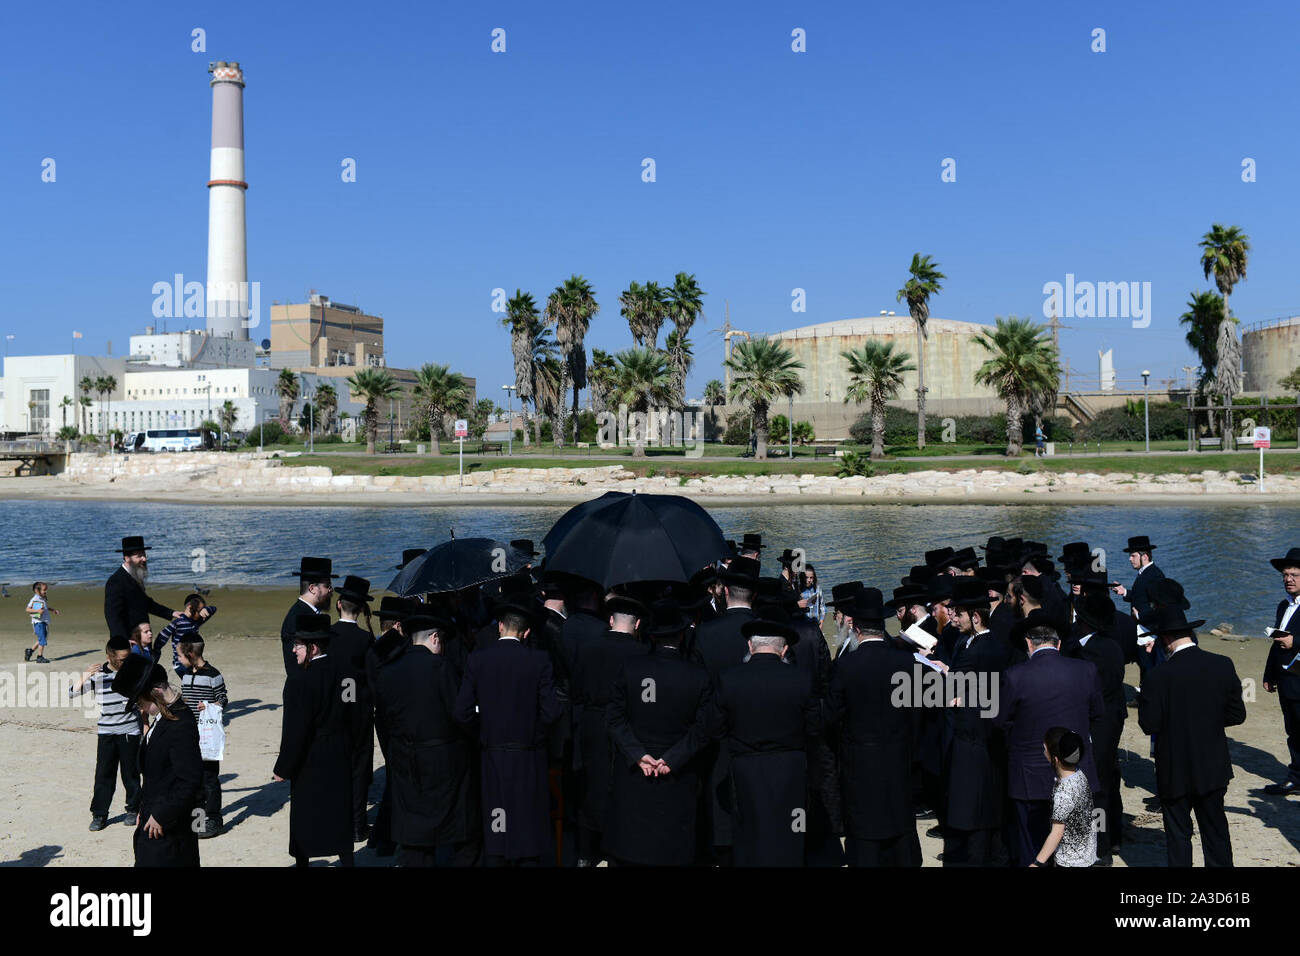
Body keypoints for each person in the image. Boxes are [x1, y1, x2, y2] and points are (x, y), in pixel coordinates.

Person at [605, 599, 715, 867]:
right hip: (677, 775)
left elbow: (613, 718)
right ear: (681, 634)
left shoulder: (630, 668)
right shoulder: (699, 676)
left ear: (651, 636)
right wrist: (673, 758)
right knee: (672, 848)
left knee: (632, 846)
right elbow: (704, 729)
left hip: (635, 773)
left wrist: (639, 754)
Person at [453, 599, 561, 866]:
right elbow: (552, 712)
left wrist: (483, 733)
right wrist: (534, 736)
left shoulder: (477, 660)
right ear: (526, 633)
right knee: (528, 822)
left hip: (492, 753)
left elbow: (462, 712)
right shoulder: (538, 660)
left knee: (496, 820)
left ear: (500, 626)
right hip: (528, 754)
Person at [1137, 605, 1246, 867]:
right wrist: (1206, 722)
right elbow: (1237, 715)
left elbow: (1149, 724)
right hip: (1211, 764)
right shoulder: (1221, 664)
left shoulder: (1157, 676)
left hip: (1174, 767)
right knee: (1215, 830)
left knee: (1178, 835)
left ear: (1164, 639)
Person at [709, 618, 820, 867]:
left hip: (746, 768)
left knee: (749, 832)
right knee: (792, 830)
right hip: (791, 767)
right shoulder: (801, 678)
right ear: (784, 650)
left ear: (750, 646)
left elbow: (715, 729)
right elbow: (814, 729)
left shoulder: (729, 679)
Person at [374, 611, 479, 867]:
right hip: (442, 759)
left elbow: (383, 719)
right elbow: (460, 715)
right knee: (461, 828)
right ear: (434, 638)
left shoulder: (388, 671)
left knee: (414, 835)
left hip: (404, 758)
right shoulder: (442, 668)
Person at [995, 621, 1103, 867]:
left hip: (1029, 775)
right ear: (1059, 644)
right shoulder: (1086, 670)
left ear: (1028, 644)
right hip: (1075, 770)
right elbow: (1097, 713)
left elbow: (1000, 720)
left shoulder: (1015, 675)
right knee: (1074, 843)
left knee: (1031, 844)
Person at [827, 591, 921, 867]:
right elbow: (916, 715)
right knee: (900, 822)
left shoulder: (845, 666)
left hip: (859, 761)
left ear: (856, 629)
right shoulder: (906, 663)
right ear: (883, 626)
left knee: (864, 830)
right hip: (898, 756)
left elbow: (831, 716)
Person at [571, 594, 649, 866]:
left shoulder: (588, 648)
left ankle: (587, 851)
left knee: (592, 785)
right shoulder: (642, 654)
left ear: (611, 620)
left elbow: (576, 691)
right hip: (627, 725)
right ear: (637, 623)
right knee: (623, 786)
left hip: (593, 723)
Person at [273, 613, 355, 866]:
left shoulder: (298, 681)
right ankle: (347, 860)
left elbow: (296, 731)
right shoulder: (345, 673)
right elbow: (352, 709)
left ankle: (302, 864)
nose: (294, 650)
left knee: (305, 814)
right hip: (339, 750)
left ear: (313, 647)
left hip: (310, 756)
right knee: (339, 810)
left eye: (298, 645)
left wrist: (283, 767)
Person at [111, 654, 203, 867]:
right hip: (154, 814)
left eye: (141, 701)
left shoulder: (180, 724)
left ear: (156, 692)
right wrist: (144, 808)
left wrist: (162, 814)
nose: (141, 708)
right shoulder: (164, 717)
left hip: (169, 825)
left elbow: (190, 780)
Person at [941, 578, 1008, 866]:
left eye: (958, 613)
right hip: (970, 734)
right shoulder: (967, 641)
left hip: (976, 738)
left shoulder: (985, 647)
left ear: (976, 616)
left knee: (976, 810)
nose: (953, 618)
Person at [1063, 590, 1127, 860]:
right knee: (1108, 778)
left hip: (1097, 723)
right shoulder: (1109, 645)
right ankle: (1113, 837)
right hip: (1111, 719)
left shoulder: (1087, 650)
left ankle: (1100, 848)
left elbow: (1087, 690)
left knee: (1094, 784)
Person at [69, 635, 141, 831]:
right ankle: (99, 815)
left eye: (128, 657)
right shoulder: (99, 675)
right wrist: (85, 675)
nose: (125, 662)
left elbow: (151, 668)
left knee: (130, 773)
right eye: (122, 658)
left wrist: (138, 649)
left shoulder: (133, 670)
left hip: (130, 729)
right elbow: (72, 693)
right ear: (110, 656)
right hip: (107, 731)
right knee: (104, 774)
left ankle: (133, 809)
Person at [330, 574, 376, 842]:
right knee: (359, 768)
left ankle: (340, 819)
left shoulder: (329, 636)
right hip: (359, 711)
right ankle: (358, 824)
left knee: (338, 765)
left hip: (335, 709)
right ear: (360, 609)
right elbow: (371, 678)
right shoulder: (364, 639)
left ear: (339, 604)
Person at [177, 635, 228, 839]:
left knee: (209, 779)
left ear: (190, 654)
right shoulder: (186, 674)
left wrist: (209, 706)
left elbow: (223, 699)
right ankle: (198, 820)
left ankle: (214, 819)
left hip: (208, 735)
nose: (178, 659)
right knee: (193, 778)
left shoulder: (213, 675)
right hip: (189, 733)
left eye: (180, 655)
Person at [1030, 728, 1097, 868]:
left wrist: (1037, 862)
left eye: (1045, 749)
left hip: (1069, 862)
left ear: (1055, 759)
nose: (1043, 753)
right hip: (1087, 855)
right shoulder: (1080, 774)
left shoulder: (1064, 792)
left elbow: (1057, 832)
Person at [1263, 547, 1300, 796]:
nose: (1288, 579)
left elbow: (1289, 641)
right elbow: (1277, 642)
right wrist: (1269, 674)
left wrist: (1295, 642)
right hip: (1287, 678)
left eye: (1294, 574)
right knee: (1293, 730)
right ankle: (1296, 777)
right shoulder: (1282, 606)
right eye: (1285, 575)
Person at [104, 536, 180, 643]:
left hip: (142, 637)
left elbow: (144, 602)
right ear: (127, 558)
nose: (144, 559)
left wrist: (171, 613)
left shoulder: (135, 574)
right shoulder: (116, 581)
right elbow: (113, 616)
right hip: (129, 641)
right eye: (139, 556)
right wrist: (123, 641)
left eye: (144, 555)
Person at [280, 556, 336, 676]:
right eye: (328, 586)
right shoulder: (301, 618)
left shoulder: (302, 612)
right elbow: (298, 664)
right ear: (312, 588)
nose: (331, 591)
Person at [154, 593, 217, 677]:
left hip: (192, 662)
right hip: (180, 663)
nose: (202, 615)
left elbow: (214, 609)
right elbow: (162, 636)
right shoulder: (178, 622)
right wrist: (156, 651)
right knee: (193, 683)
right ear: (190, 607)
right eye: (200, 611)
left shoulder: (196, 621)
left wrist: (207, 610)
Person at [1112, 535, 1166, 623]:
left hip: (1149, 629)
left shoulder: (1155, 575)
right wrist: (1124, 592)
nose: (1130, 559)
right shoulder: (1145, 572)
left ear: (1144, 557)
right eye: (1130, 556)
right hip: (1141, 625)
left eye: (1133, 556)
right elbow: (1141, 596)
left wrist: (1139, 616)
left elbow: (1160, 605)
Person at [24, 581, 58, 663]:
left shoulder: (42, 598)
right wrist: (37, 611)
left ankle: (30, 651)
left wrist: (52, 609)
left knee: (41, 639)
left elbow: (45, 607)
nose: (46, 591)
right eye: (44, 590)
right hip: (38, 622)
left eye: (46, 590)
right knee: (42, 640)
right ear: (37, 590)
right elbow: (27, 609)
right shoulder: (35, 599)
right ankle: (40, 657)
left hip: (43, 622)